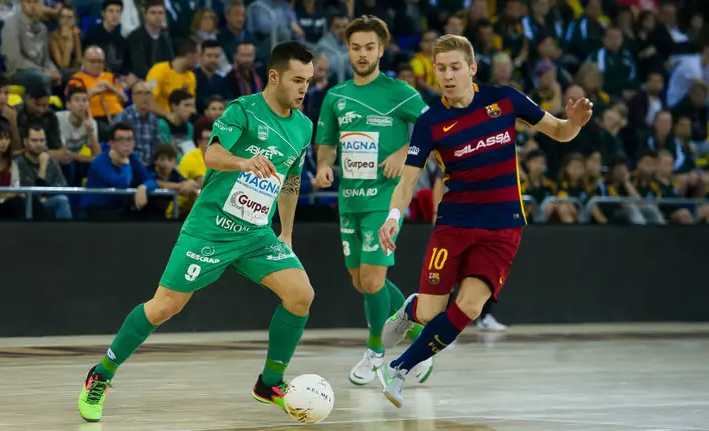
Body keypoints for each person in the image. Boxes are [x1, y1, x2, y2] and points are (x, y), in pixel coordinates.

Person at [77, 41, 316, 422]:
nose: (304, 88)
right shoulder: (243, 110)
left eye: (309, 81)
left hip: (256, 235)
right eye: (298, 80)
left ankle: (269, 382)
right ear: (274, 77)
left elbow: (290, 180)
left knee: (301, 295)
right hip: (210, 230)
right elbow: (212, 155)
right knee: (163, 308)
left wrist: (285, 232)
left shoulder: (303, 126)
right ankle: (101, 374)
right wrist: (244, 162)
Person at [374, 34, 593, 408]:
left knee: (471, 307)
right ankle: (412, 309)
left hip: (503, 224)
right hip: (454, 225)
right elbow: (408, 180)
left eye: (455, 67)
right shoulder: (431, 122)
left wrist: (573, 124)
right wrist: (393, 216)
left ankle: (400, 368)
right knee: (430, 313)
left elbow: (558, 130)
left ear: (472, 68)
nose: (447, 75)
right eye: (440, 68)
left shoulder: (504, 99)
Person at [312, 16, 430, 386]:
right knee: (362, 282)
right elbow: (326, 142)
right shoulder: (336, 96)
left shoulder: (400, 92)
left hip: (385, 198)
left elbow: (433, 128)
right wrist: (324, 166)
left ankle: (376, 354)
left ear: (381, 49)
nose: (362, 54)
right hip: (350, 200)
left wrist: (404, 152)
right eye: (355, 47)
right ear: (348, 50)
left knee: (373, 280)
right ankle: (418, 340)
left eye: (369, 47)